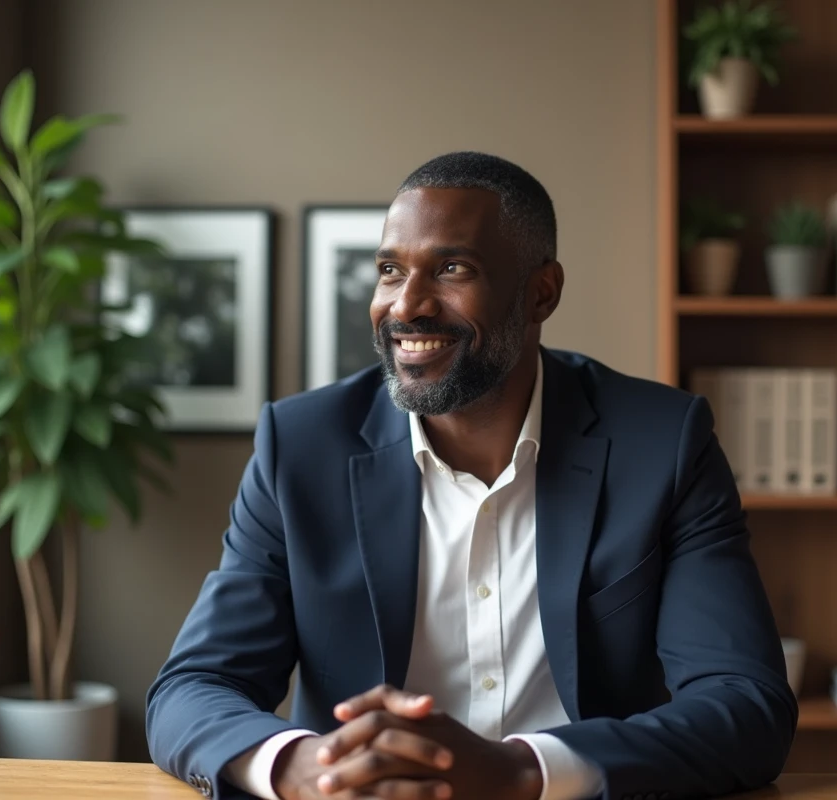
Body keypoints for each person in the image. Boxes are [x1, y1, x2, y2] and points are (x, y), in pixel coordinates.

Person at [146, 152, 797, 800]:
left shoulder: (662, 443)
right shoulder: (300, 447)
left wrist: (521, 770)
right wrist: (303, 767)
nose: (408, 305)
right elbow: (193, 687)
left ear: (541, 293)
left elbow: (745, 702)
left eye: (452, 268)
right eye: (390, 271)